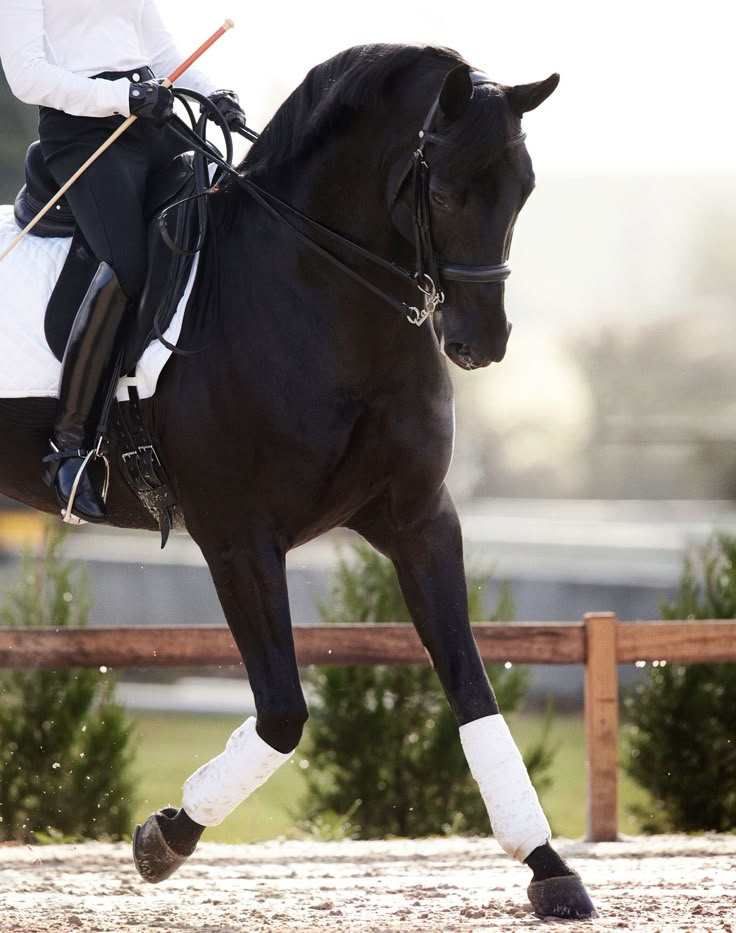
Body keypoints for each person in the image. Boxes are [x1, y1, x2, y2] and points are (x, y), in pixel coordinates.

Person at [0, 1, 246, 522]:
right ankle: (70, 448)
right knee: (126, 264)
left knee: (224, 211)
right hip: (85, 135)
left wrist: (213, 93)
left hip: (151, 121)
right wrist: (119, 96)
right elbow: (26, 77)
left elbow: (161, 53)